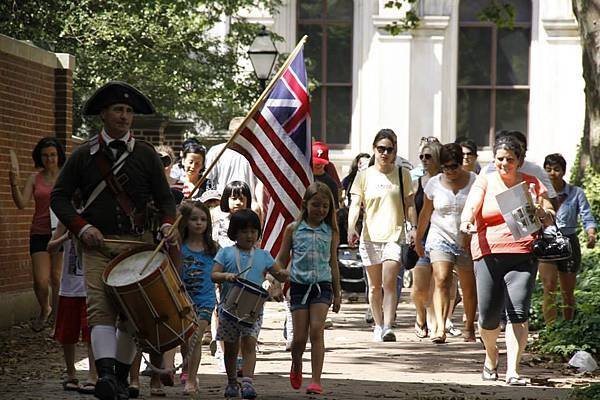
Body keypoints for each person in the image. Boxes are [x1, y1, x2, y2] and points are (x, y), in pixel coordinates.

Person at [50, 81, 177, 400]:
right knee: (99, 309)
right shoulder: (83, 156)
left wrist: (166, 224)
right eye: (118, 110)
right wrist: (80, 227)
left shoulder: (146, 156)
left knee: (133, 315)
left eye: (129, 111)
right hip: (97, 246)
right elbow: (60, 197)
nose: (124, 116)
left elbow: (166, 201)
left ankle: (119, 376)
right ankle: (106, 375)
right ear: (103, 115)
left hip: (138, 247)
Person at [460, 135, 554, 386]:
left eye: (509, 160)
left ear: (519, 160)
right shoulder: (485, 180)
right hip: (488, 253)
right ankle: (491, 355)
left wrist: (541, 211)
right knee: (489, 318)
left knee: (518, 312)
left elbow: (550, 215)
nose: (504, 164)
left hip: (523, 253)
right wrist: (466, 220)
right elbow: (471, 205)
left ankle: (513, 369)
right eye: (499, 159)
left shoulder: (531, 184)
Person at [211, 209, 289, 399]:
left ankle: (247, 383)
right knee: (230, 347)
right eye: (244, 231)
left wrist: (284, 276)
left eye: (254, 231)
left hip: (254, 310)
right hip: (229, 310)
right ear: (234, 233)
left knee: (249, 344)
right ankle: (231, 382)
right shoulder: (226, 253)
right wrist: (225, 276)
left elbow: (280, 273)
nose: (249, 235)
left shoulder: (264, 255)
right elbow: (213, 274)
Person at [348, 129, 416, 342]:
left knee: (389, 282)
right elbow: (355, 204)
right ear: (374, 150)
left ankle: (388, 325)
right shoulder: (364, 176)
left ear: (395, 151)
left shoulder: (402, 174)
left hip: (394, 236)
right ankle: (377, 325)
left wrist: (413, 227)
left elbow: (410, 204)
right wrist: (351, 227)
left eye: (389, 149)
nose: (385, 153)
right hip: (370, 237)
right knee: (374, 286)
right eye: (381, 149)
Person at [276, 182, 342, 395]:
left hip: (322, 286)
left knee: (317, 330)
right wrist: (276, 281)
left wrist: (338, 292)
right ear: (305, 204)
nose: (320, 210)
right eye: (316, 205)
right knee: (299, 338)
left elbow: (333, 262)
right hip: (298, 286)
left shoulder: (330, 231)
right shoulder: (293, 229)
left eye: (325, 206)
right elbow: (281, 258)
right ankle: (296, 362)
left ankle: (316, 379)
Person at [414, 143, 477, 343]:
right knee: (441, 279)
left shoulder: (475, 181)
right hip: (439, 235)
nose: (450, 171)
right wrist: (418, 238)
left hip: (467, 238)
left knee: (468, 286)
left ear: (462, 163)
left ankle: (468, 326)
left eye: (454, 166)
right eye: (446, 167)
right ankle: (439, 327)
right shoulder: (434, 184)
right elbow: (426, 212)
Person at [9, 136, 66, 332]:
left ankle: (59, 323)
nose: (49, 159)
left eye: (53, 155)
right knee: (41, 280)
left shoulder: (66, 176)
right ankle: (45, 308)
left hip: (61, 231)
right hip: (40, 233)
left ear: (59, 156)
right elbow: (22, 204)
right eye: (45, 155)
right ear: (39, 157)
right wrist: (14, 184)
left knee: (57, 278)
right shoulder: (35, 178)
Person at [539, 153, 596, 322]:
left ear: (563, 171)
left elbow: (587, 216)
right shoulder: (540, 194)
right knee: (549, 286)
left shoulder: (576, 192)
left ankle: (567, 327)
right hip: (547, 242)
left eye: (556, 169)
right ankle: (551, 329)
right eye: (548, 169)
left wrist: (591, 233)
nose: (552, 173)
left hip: (569, 242)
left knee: (567, 291)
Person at [48, 221, 97, 394]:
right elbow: (51, 248)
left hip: (91, 286)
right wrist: (66, 236)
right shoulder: (65, 218)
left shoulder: (96, 215)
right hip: (69, 288)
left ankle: (93, 376)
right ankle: (71, 374)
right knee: (68, 334)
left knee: (92, 334)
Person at [178, 201, 218, 395]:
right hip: (184, 300)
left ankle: (191, 379)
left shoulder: (213, 248)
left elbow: (220, 272)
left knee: (195, 337)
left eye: (203, 219)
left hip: (205, 300)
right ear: (185, 222)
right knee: (185, 340)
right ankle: (187, 370)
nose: (199, 223)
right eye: (194, 219)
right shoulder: (180, 248)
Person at [409, 139, 442, 339]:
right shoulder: (417, 180)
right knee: (420, 286)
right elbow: (412, 207)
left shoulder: (445, 181)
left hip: (441, 237)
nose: (424, 160)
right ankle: (420, 314)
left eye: (428, 156)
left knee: (440, 282)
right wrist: (414, 230)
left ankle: (437, 323)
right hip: (422, 236)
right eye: (421, 157)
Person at [312, 141, 340, 207]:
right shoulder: (304, 178)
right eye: (316, 162)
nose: (318, 165)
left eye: (321, 162)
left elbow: (335, 207)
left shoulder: (331, 183)